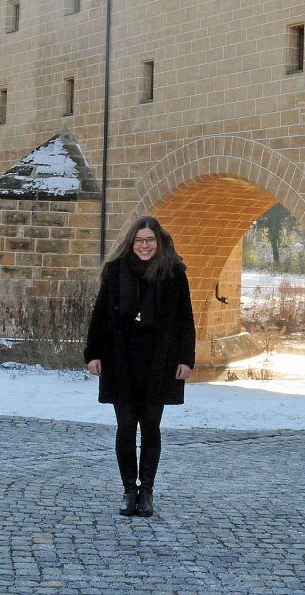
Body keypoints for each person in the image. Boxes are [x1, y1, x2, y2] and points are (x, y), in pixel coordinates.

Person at [85, 216, 195, 517]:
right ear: (131, 242)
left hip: (159, 360)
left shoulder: (173, 273)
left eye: (149, 240)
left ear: (158, 243)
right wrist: (92, 354)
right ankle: (128, 490)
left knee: (150, 427)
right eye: (139, 241)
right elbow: (101, 315)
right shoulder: (114, 271)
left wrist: (186, 358)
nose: (144, 246)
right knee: (125, 426)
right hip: (120, 359)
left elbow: (185, 319)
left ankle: (146, 491)